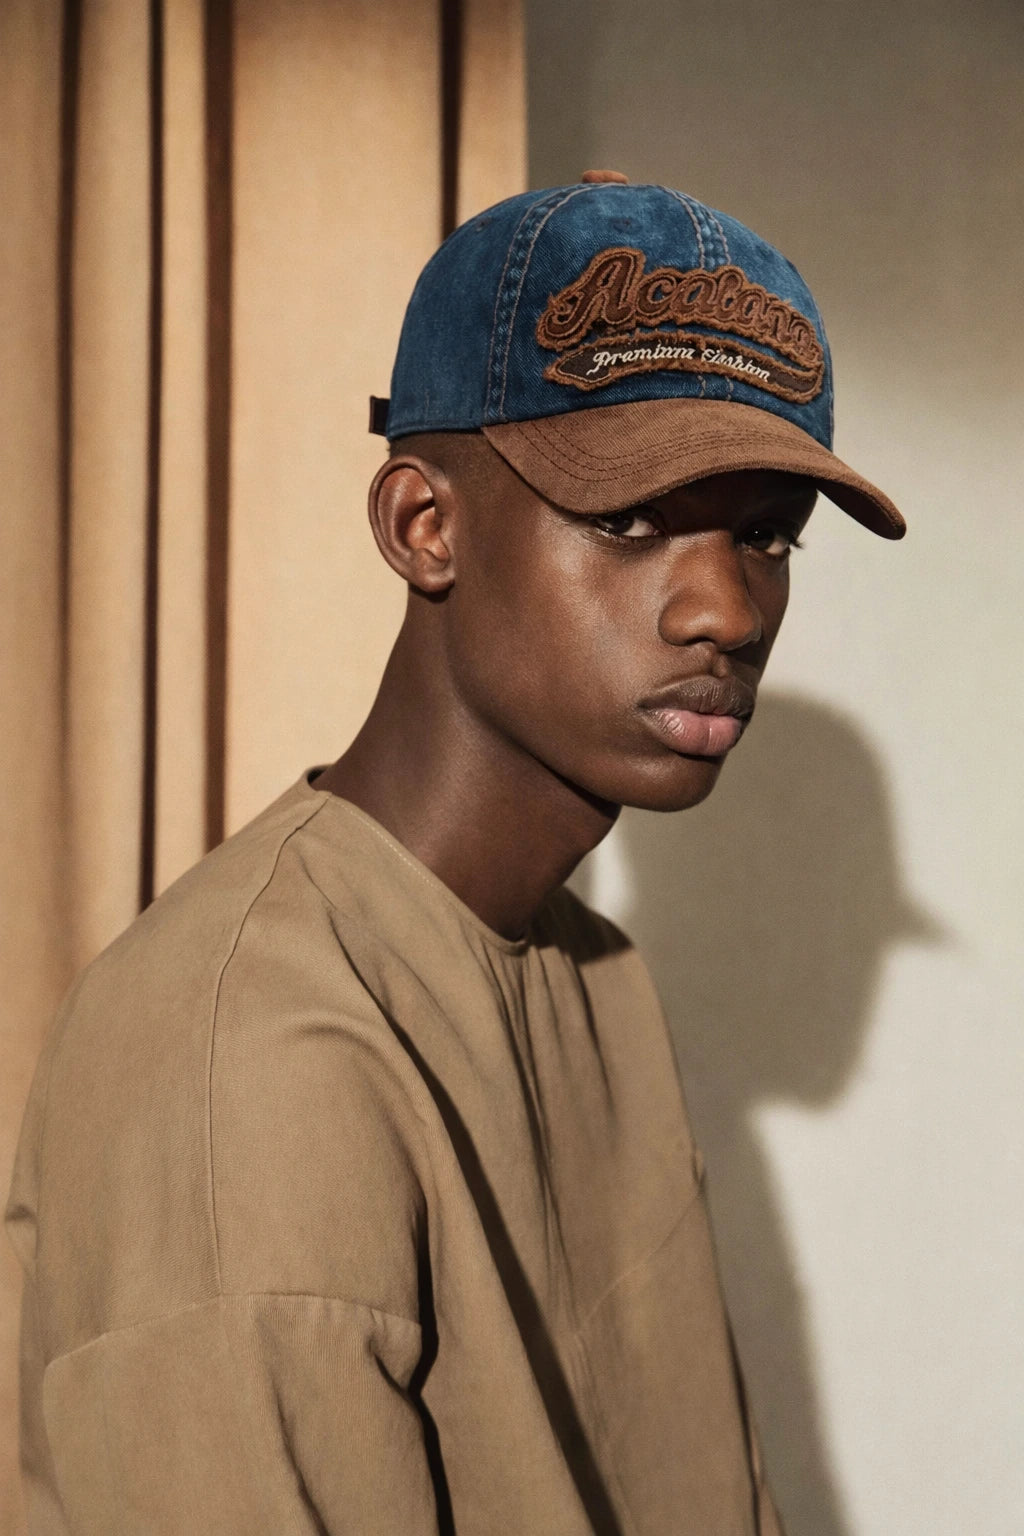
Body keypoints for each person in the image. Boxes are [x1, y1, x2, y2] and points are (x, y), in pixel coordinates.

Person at [5, 170, 904, 1535]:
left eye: (767, 536)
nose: (728, 608)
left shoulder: (594, 976)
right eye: (630, 521)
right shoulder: (245, 1044)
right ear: (424, 527)